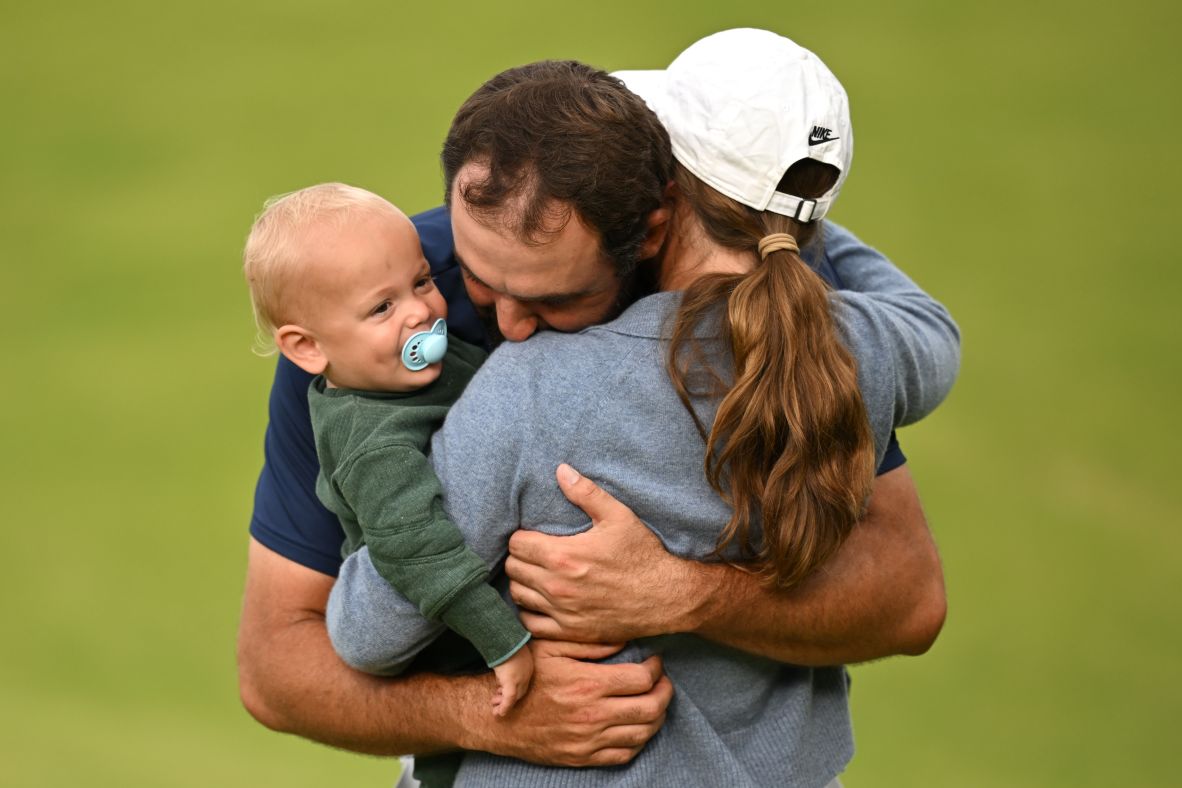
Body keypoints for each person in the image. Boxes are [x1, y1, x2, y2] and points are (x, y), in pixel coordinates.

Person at [236, 33, 957, 787]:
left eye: (555, 300)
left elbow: (907, 598)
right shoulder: (373, 313)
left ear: (658, 211)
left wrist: (688, 593)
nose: (508, 328)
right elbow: (278, 665)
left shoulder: (786, 308)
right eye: (475, 279)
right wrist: (495, 710)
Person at [241, 183, 532, 716]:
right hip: (455, 636)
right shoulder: (370, 442)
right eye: (382, 307)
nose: (420, 313)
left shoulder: (416, 367)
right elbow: (422, 556)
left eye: (421, 281)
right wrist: (505, 645)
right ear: (307, 347)